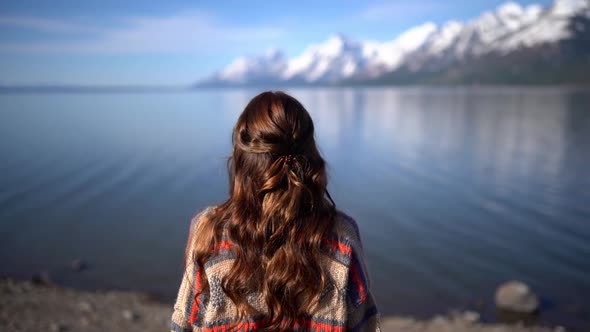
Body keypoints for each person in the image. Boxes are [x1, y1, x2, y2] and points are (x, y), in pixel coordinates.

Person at [171, 91, 380, 332]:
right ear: (310, 155)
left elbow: (183, 324)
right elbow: (362, 325)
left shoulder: (208, 231)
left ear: (242, 159)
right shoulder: (342, 237)